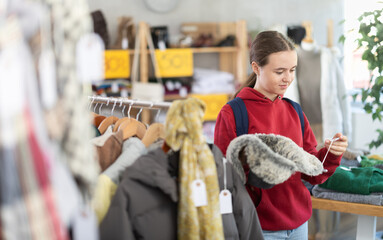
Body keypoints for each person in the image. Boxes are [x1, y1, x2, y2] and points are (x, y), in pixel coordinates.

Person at [214, 31, 348, 240]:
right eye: (279, 71)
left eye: (293, 70)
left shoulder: (294, 111)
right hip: (257, 226)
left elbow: (312, 173)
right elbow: (224, 178)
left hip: (299, 225)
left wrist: (331, 154)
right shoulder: (233, 113)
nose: (288, 78)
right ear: (256, 67)